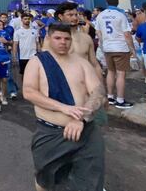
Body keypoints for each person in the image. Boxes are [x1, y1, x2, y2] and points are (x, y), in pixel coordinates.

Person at [22, 23, 106, 191]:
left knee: (90, 181)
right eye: (58, 38)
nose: (63, 42)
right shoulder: (37, 61)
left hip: (86, 132)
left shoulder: (81, 63)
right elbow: (29, 92)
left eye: (67, 39)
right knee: (46, 180)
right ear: (48, 38)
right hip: (50, 133)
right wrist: (63, 108)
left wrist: (80, 118)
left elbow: (98, 92)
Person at [96, 0, 135, 109]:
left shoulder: (100, 15)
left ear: (107, 2)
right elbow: (127, 35)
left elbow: (99, 33)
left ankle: (110, 96)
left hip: (107, 48)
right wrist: (132, 49)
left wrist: (103, 45)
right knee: (121, 74)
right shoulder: (120, 15)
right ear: (117, 3)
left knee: (111, 72)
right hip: (121, 48)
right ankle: (120, 100)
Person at [12, 13, 39, 98]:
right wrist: (14, 56)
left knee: (34, 74)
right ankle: (25, 89)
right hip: (23, 57)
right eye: (25, 19)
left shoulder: (34, 31)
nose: (27, 20)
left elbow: (38, 44)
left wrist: (41, 53)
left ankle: (34, 90)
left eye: (28, 19)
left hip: (34, 56)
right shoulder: (18, 32)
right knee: (23, 74)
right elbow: (15, 45)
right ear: (22, 20)